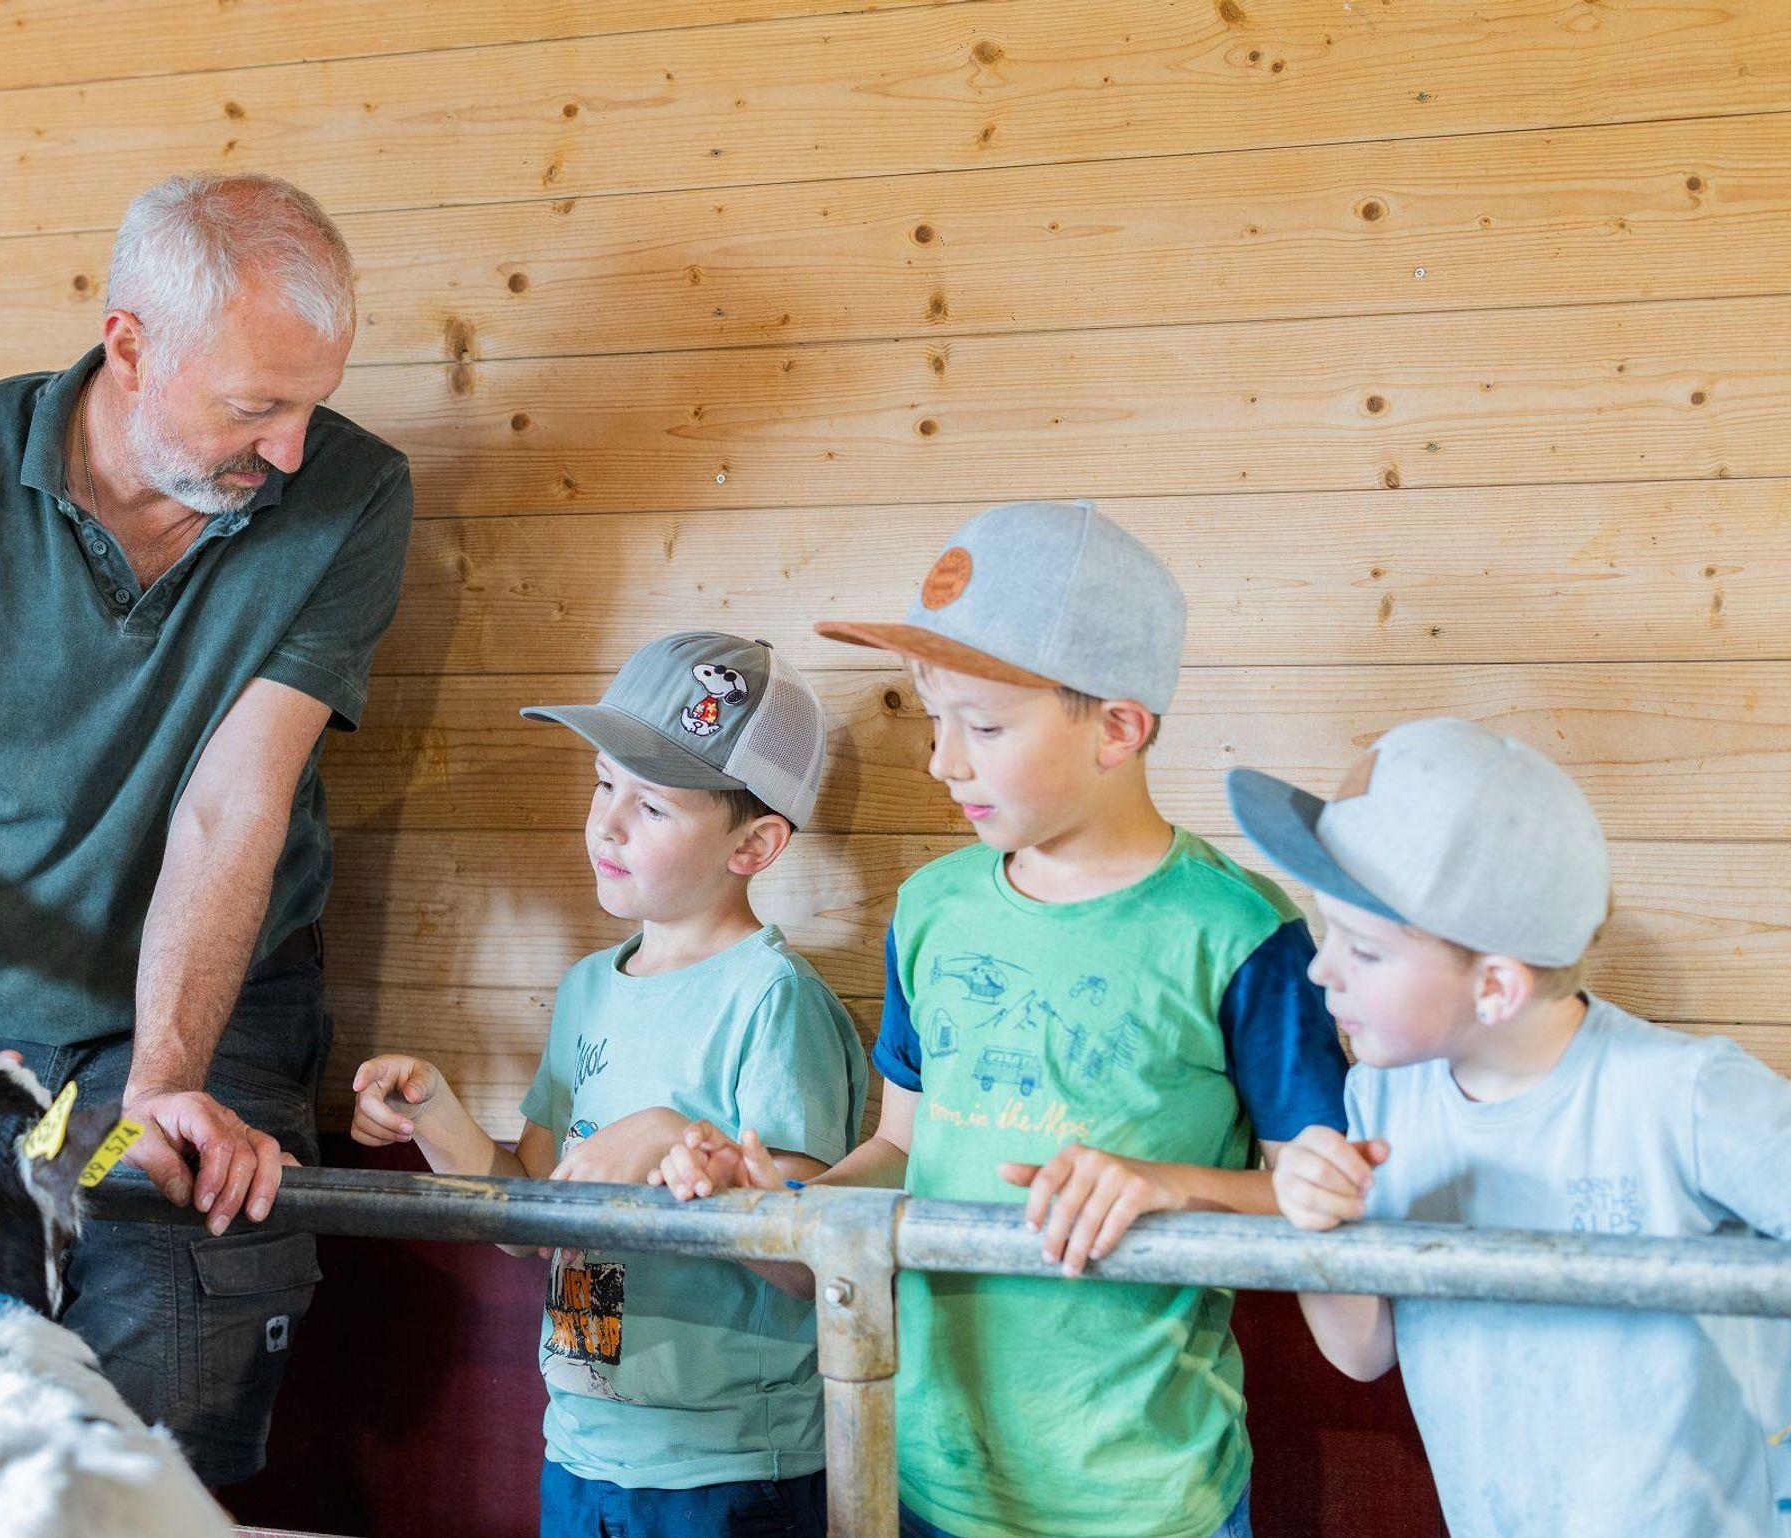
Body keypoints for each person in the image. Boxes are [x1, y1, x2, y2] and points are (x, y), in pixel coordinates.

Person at [0, 171, 414, 1482]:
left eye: (313, 403)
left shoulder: (352, 494)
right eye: (255, 406)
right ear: (128, 345)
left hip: (217, 1006)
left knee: (161, 1397)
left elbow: (232, 806)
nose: (291, 449)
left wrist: (167, 1075)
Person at [657, 502, 1350, 1538]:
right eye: (934, 721)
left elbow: (1319, 1211)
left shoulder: (1240, 933)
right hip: (921, 1476)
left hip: (1143, 1499)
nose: (945, 761)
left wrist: (1171, 1187)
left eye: (982, 726)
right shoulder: (930, 909)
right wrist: (779, 1203)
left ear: (1118, 727)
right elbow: (901, 1148)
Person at [351, 631, 867, 1538]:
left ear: (755, 844)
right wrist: (435, 1114)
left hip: (728, 1467)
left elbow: (810, 1260)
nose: (608, 824)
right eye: (603, 785)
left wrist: (673, 1141)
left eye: (653, 806)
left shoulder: (771, 999)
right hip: (581, 1447)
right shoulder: (590, 988)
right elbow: (531, 1214)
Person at [1234, 717, 1791, 1535]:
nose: (1322, 970)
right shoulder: (1383, 1099)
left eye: (1366, 951)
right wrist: (1318, 1221)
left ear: (1495, 986)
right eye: (1328, 932)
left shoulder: (1684, 1097)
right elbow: (1362, 1353)